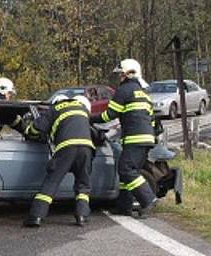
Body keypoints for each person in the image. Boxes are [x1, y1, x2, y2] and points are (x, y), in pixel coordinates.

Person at [92, 58, 158, 217]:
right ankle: (124, 206)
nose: (119, 78)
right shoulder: (144, 94)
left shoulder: (124, 91)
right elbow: (152, 120)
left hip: (135, 138)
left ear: (129, 74)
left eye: (121, 74)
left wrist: (89, 118)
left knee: (126, 170)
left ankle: (148, 200)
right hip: (147, 138)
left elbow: (109, 115)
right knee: (127, 172)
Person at [23, 94, 95, 227]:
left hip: (66, 148)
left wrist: (29, 132)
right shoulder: (82, 108)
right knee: (83, 184)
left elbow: (37, 128)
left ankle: (36, 216)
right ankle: (82, 216)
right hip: (86, 149)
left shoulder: (55, 109)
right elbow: (93, 132)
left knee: (52, 181)